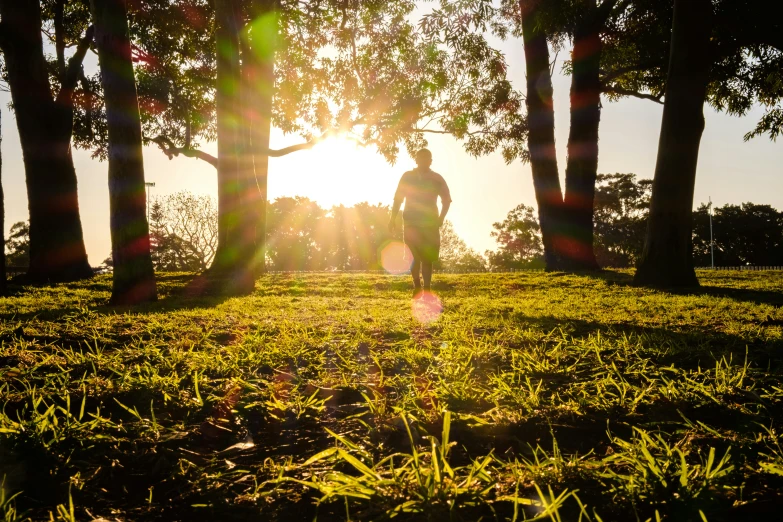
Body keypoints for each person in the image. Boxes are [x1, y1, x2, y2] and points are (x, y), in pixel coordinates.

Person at [389, 148, 451, 297]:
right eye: (420, 158)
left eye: (426, 158)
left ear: (430, 161)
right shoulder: (407, 176)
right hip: (411, 222)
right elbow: (398, 198)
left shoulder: (437, 178)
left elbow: (446, 200)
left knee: (427, 258)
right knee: (413, 257)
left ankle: (427, 288)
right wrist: (392, 218)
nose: (423, 161)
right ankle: (417, 285)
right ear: (416, 160)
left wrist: (441, 218)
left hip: (430, 224)